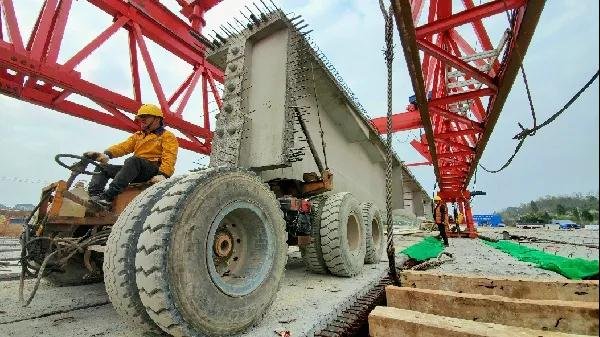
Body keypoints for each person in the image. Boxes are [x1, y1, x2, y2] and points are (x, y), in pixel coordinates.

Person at [84, 104, 179, 208]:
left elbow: (170, 156)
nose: (141, 120)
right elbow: (123, 147)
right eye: (140, 118)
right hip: (134, 169)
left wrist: (164, 174)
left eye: (145, 117)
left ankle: (108, 197)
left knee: (133, 161)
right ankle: (95, 196)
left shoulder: (167, 136)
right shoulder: (138, 136)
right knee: (103, 167)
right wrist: (106, 154)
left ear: (157, 119)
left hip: (153, 171)